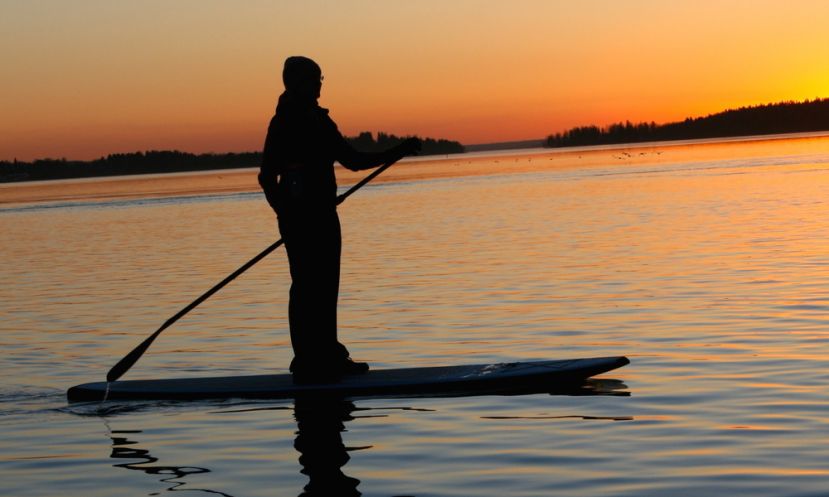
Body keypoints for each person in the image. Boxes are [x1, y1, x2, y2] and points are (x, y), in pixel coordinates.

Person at [259, 56, 420, 383]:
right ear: (299, 83)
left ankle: (324, 356)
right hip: (302, 222)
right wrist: (287, 214)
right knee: (307, 287)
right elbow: (267, 177)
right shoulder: (287, 123)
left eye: (321, 78)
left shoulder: (315, 120)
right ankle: (307, 360)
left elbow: (352, 160)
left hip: (320, 217)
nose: (320, 84)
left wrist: (398, 151)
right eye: (316, 78)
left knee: (322, 287)